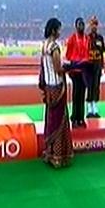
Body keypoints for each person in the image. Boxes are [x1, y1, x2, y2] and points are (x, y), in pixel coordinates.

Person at [38, 18, 74, 168]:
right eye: (59, 29)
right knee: (60, 120)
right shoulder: (54, 47)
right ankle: (58, 156)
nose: (60, 32)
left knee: (50, 119)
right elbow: (58, 69)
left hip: (48, 87)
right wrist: (70, 67)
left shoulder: (44, 46)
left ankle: (49, 153)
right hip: (57, 87)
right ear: (53, 30)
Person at [65, 17, 90, 127]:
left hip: (83, 69)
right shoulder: (72, 39)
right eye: (79, 25)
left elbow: (88, 52)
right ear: (76, 26)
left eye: (83, 25)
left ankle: (81, 118)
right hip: (75, 70)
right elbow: (68, 54)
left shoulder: (87, 38)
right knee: (76, 94)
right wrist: (71, 67)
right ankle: (75, 118)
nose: (81, 27)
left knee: (82, 94)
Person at [85, 16, 105, 119]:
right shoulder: (86, 38)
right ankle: (89, 108)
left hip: (97, 65)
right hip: (88, 65)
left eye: (95, 24)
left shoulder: (100, 38)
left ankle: (95, 107)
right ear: (90, 25)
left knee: (96, 86)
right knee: (90, 86)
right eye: (92, 24)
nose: (94, 26)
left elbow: (102, 53)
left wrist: (102, 66)